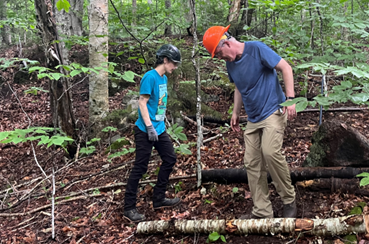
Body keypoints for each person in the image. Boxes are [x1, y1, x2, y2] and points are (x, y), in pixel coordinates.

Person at [202, 26, 297, 219]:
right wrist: (236, 112)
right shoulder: (231, 64)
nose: (221, 59)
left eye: (220, 54)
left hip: (273, 111)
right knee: (252, 162)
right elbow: (239, 86)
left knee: (270, 152)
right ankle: (262, 211)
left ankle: (289, 200)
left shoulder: (256, 49)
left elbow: (286, 67)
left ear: (227, 43)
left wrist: (291, 99)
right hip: (253, 118)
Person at [123, 44, 182, 223]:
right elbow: (142, 102)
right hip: (144, 130)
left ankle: (158, 198)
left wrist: (158, 125)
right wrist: (149, 127)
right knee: (140, 167)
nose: (176, 67)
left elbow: (159, 104)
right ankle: (129, 208)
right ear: (165, 60)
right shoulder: (150, 77)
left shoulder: (163, 78)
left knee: (170, 158)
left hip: (159, 128)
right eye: (174, 63)